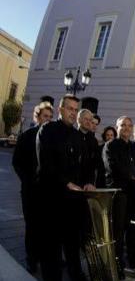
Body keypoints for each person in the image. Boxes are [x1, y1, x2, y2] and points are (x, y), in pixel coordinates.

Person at [36, 95, 94, 281]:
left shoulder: (78, 136)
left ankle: (76, 274)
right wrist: (65, 182)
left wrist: (88, 182)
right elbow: (45, 163)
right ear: (60, 110)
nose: (73, 112)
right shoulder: (48, 130)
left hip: (74, 201)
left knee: (73, 243)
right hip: (52, 198)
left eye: (76, 110)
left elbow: (85, 165)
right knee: (51, 247)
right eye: (70, 109)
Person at [103, 116, 135, 278]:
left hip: (133, 194)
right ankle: (117, 266)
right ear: (117, 127)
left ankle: (133, 262)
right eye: (123, 125)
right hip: (118, 194)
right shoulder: (110, 145)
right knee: (118, 232)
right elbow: (114, 168)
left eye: (129, 125)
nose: (127, 128)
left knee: (132, 230)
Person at [12, 101, 53, 273]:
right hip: (30, 191)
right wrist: (27, 181)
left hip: (48, 192)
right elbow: (16, 162)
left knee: (45, 227)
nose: (48, 120)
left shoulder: (53, 137)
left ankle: (43, 257)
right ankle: (31, 259)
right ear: (37, 117)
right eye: (45, 116)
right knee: (31, 226)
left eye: (51, 117)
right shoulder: (26, 136)